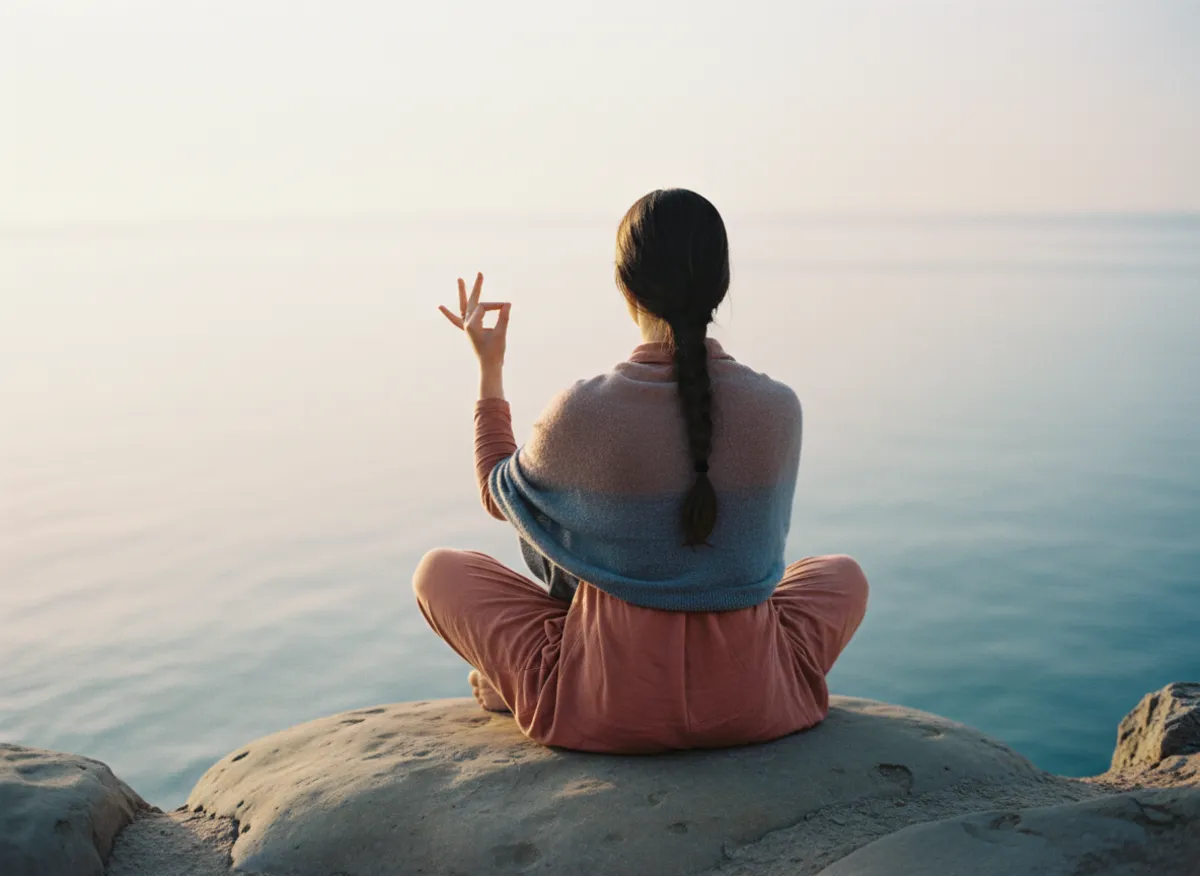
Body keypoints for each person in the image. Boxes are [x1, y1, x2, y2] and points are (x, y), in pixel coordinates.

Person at [414, 189, 868, 753]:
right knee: (844, 575)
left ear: (625, 288)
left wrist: (490, 367)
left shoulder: (583, 410)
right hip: (753, 701)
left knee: (437, 572)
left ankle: (529, 683)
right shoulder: (780, 408)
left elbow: (495, 489)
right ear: (721, 285)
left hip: (606, 708)